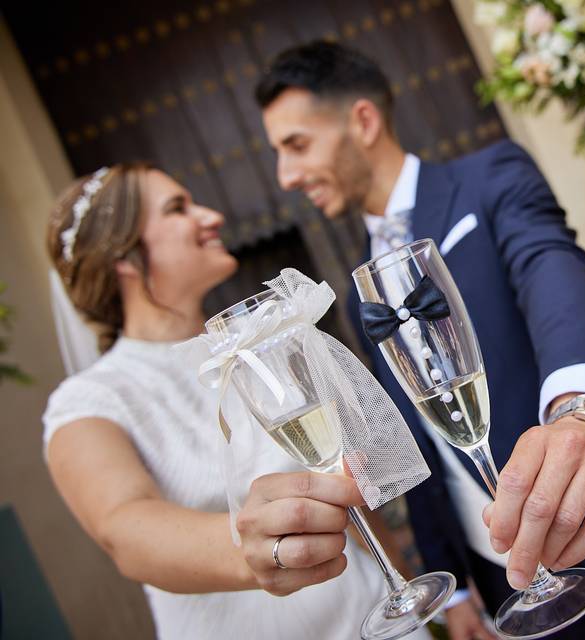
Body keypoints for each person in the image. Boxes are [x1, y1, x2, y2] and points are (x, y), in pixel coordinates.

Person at [255, 41, 585, 639]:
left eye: (296, 145)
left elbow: (552, 272)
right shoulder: (357, 295)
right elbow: (414, 444)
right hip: (508, 584)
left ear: (363, 121)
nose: (286, 176)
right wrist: (452, 587)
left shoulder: (490, 177)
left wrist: (582, 408)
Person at [42, 164, 432, 640]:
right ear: (122, 254)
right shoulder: (91, 401)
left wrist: (408, 594)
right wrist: (250, 552)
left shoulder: (259, 346)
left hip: (374, 619)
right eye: (178, 209)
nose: (212, 216)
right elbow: (124, 527)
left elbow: (341, 489)